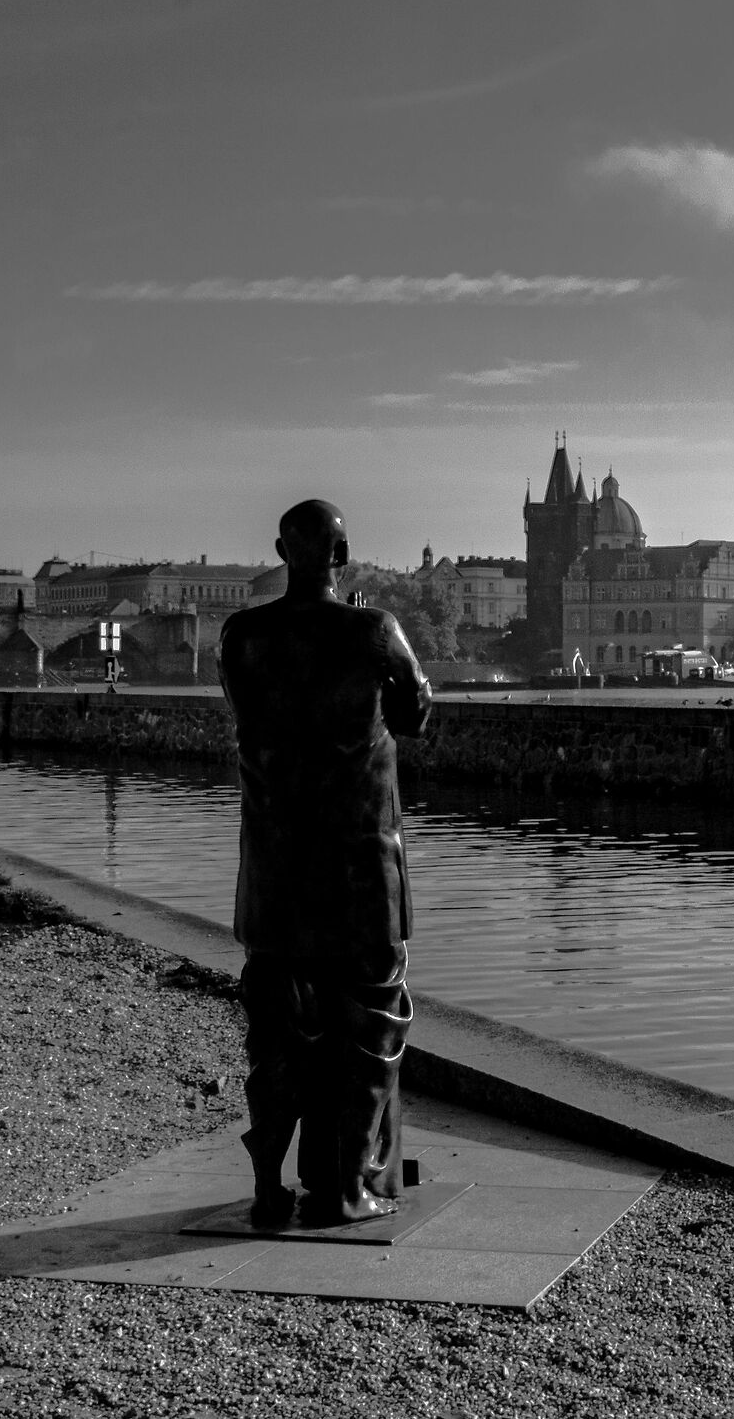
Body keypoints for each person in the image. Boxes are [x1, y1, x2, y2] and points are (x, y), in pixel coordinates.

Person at [218, 500, 431, 1226]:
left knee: (278, 1024)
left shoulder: (242, 634)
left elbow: (252, 717)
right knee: (372, 1017)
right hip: (360, 862)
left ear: (282, 550)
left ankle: (271, 1190)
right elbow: (414, 714)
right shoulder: (374, 632)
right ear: (344, 558)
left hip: (275, 861)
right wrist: (365, 637)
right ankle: (349, 1183)